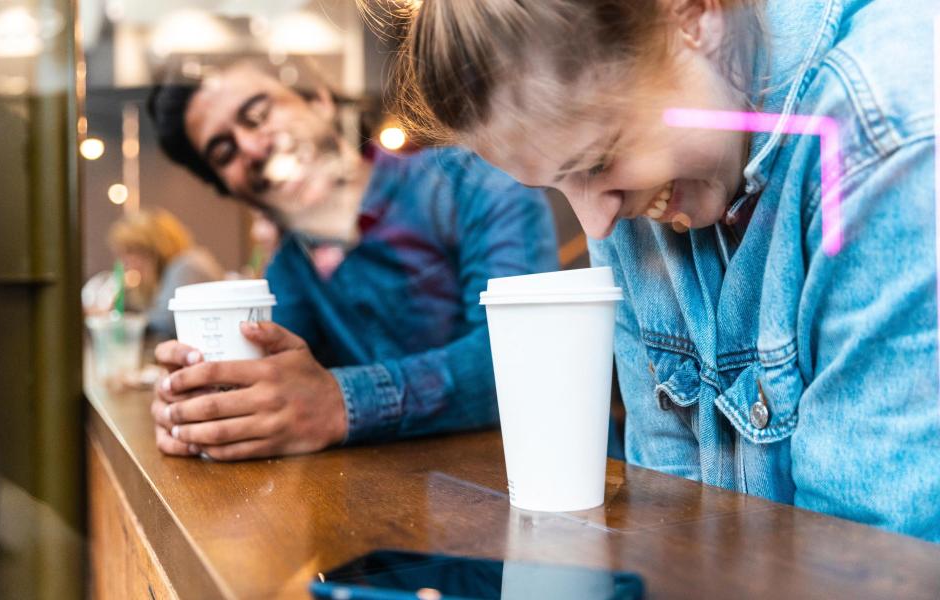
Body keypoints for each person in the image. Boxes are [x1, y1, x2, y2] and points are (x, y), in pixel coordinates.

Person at [380, 0, 940, 541]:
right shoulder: (624, 189)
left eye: (599, 161)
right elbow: (670, 524)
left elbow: (866, 565)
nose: (595, 223)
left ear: (696, 14)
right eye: (556, 184)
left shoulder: (891, 135)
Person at [146, 63, 558, 460]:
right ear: (228, 187)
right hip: (404, 509)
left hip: (561, 485)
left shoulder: (472, 183)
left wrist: (341, 403)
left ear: (319, 100)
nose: (253, 148)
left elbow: (526, 359)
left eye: (258, 114)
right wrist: (198, 408)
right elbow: (272, 390)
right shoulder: (290, 271)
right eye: (224, 152)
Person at [106, 208, 224, 337]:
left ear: (154, 249)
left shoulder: (186, 266)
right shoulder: (175, 268)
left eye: (131, 251)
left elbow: (164, 324)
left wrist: (126, 318)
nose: (125, 262)